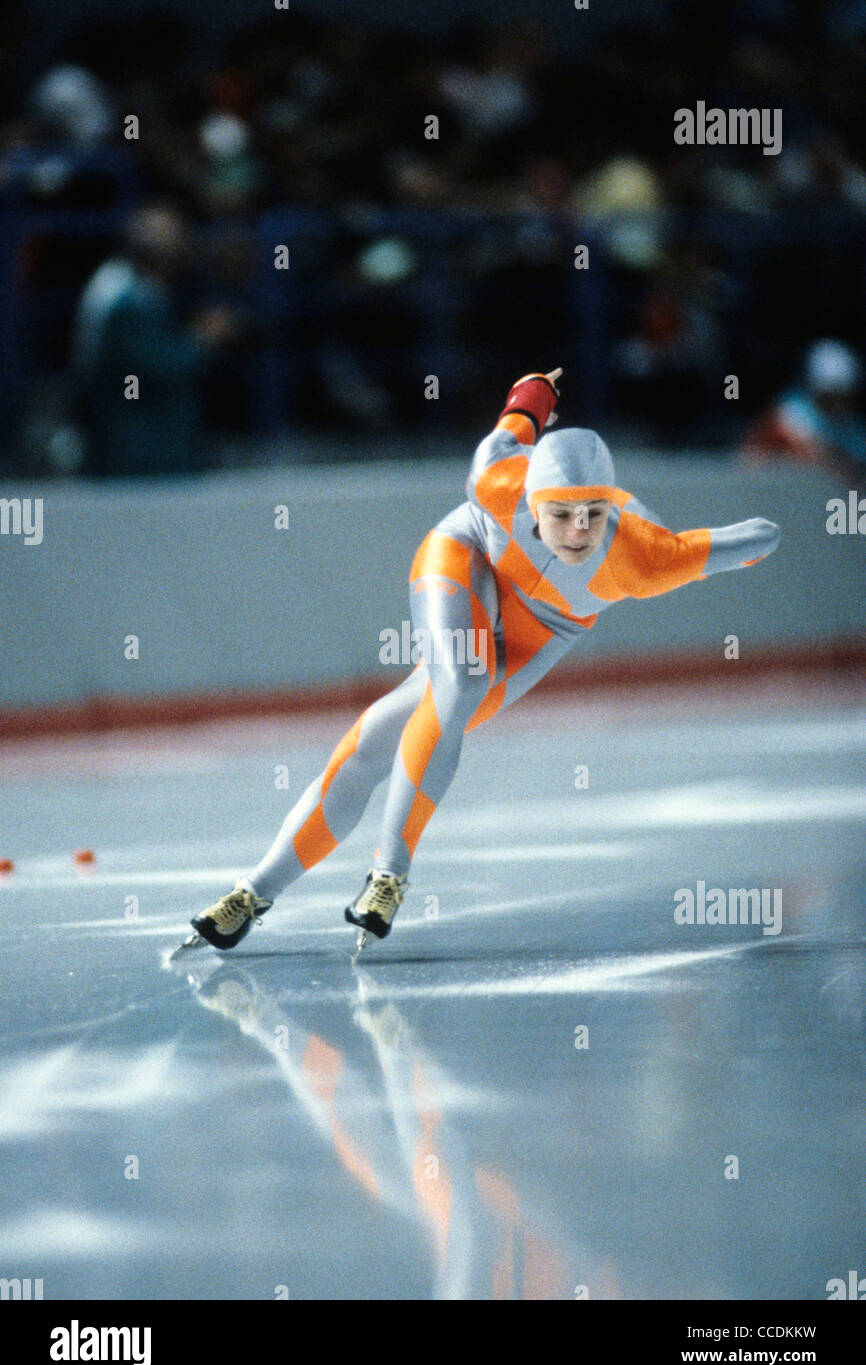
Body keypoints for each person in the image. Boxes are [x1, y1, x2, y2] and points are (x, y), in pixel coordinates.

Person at [182, 367, 780, 955]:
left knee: (379, 742)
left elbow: (761, 534)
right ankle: (385, 874)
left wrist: (749, 545)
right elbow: (516, 421)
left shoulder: (645, 558)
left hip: (543, 628)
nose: (578, 532)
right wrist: (537, 389)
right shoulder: (497, 480)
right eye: (561, 514)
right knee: (462, 678)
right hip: (467, 554)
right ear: (530, 501)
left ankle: (254, 895)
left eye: (594, 515)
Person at [72, 205, 237, 478]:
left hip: (159, 443)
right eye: (173, 237)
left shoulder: (149, 293)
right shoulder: (123, 299)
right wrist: (202, 339)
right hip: (139, 451)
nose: (182, 244)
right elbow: (157, 367)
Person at [742, 339, 866, 484]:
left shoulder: (852, 424)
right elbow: (806, 451)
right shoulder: (789, 412)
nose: (836, 405)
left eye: (842, 397)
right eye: (829, 397)